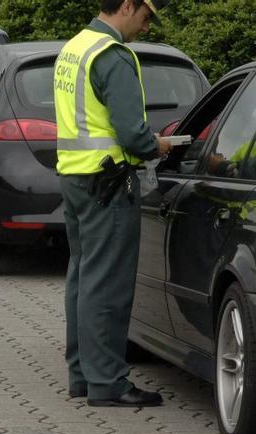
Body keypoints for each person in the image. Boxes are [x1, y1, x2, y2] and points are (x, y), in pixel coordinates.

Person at [54, 0, 173, 407]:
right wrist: (158, 144)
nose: (144, 27)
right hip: (109, 181)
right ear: (127, 4)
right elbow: (133, 135)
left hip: (75, 176)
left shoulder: (75, 47)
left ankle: (82, 376)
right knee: (108, 284)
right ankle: (108, 383)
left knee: (83, 278)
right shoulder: (113, 56)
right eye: (144, 17)